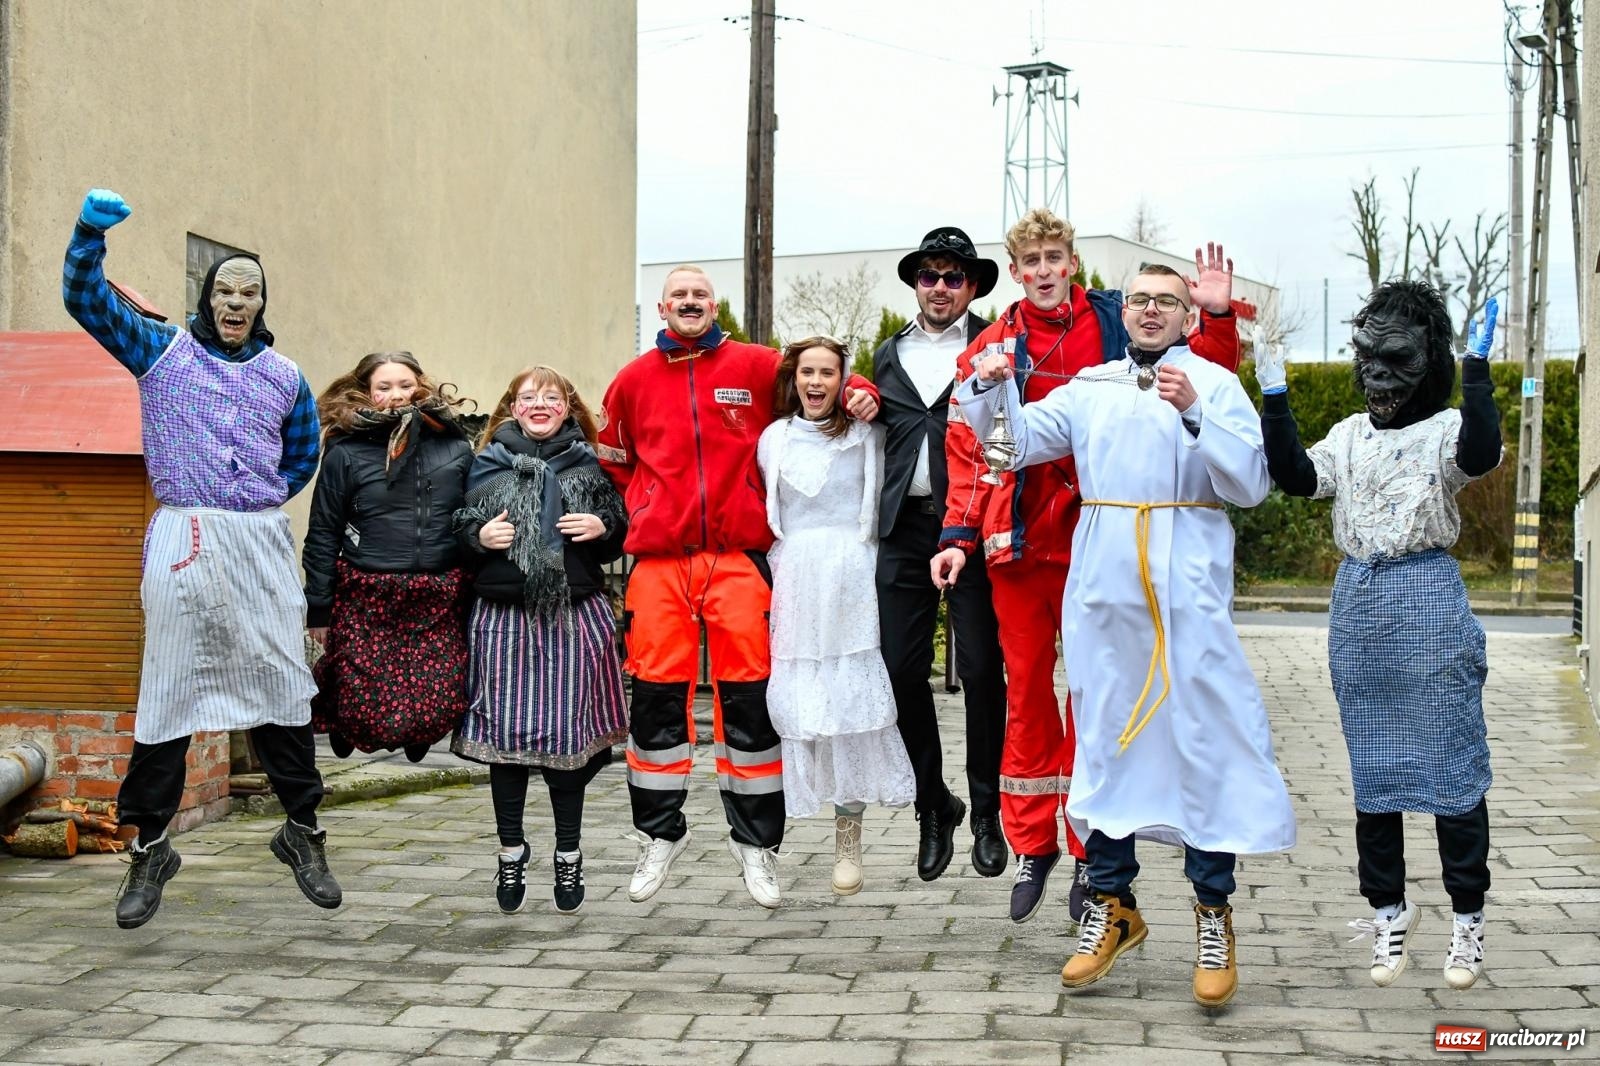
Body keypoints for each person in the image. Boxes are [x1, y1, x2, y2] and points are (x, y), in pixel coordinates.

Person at [958, 262, 1296, 1008]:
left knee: (1202, 741)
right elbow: (1010, 450)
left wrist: (1195, 414)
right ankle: (1112, 905)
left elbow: (1251, 485)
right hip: (1106, 587)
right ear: (1125, 309)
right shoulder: (1093, 386)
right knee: (1107, 741)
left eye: (1166, 302)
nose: (1149, 310)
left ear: (1186, 317)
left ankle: (1213, 911)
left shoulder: (1214, 383)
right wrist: (991, 389)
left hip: (1186, 589)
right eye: (1139, 298)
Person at [931, 208, 1241, 926]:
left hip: (1100, 541)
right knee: (1026, 692)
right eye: (1031, 261)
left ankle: (1089, 846)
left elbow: (1206, 376)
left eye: (1054, 257)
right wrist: (957, 534)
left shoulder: (1114, 321)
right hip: (1016, 541)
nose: (1043, 271)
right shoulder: (990, 345)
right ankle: (1032, 843)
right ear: (1015, 272)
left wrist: (1219, 317)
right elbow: (971, 448)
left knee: (1097, 697)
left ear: (1072, 262)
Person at [62, 188, 340, 928]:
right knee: (169, 689)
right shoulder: (161, 352)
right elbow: (86, 300)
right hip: (185, 538)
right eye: (225, 291)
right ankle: (150, 848)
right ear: (206, 297)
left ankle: (302, 831)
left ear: (262, 303)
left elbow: (301, 455)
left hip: (257, 542)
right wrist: (89, 234)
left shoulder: (285, 376)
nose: (236, 303)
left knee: (282, 683)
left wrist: (251, 500)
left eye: (249, 293)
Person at [597, 265, 878, 909]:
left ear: (714, 304)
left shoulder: (755, 365)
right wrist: (644, 508)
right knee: (655, 700)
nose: (689, 302)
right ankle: (657, 836)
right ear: (662, 307)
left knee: (751, 700)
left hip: (737, 558)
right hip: (661, 562)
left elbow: (821, 373)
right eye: (678, 295)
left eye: (700, 294)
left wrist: (862, 388)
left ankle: (756, 846)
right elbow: (611, 461)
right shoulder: (632, 380)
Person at [1259, 286, 1502, 991]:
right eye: (1366, 357)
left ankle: (1467, 919)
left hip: (1428, 600)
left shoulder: (1446, 431)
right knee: (1374, 770)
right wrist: (1274, 393)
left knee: (1452, 766)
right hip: (1359, 609)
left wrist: (1478, 370)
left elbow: (1481, 452)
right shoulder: (1348, 436)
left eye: (1395, 359)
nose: (1376, 375)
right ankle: (1388, 912)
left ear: (1429, 363)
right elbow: (1297, 477)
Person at [452, 367, 628, 915]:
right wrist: (479, 535)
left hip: (572, 617)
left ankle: (568, 851)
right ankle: (511, 850)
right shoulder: (485, 462)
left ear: (567, 408)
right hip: (502, 620)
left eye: (551, 397)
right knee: (505, 742)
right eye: (529, 397)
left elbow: (617, 530)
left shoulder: (588, 464)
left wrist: (603, 529)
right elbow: (456, 527)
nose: (540, 405)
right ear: (513, 408)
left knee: (566, 746)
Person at [872, 227, 1009, 881]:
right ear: (916, 284)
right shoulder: (887, 354)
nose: (940, 287)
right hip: (904, 528)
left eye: (953, 276)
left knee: (982, 672)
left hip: (974, 528)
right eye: (929, 275)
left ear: (972, 286)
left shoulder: (997, 348)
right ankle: (934, 804)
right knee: (899, 672)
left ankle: (987, 811)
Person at [758, 336, 913, 895]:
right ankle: (771, 833)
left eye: (828, 372)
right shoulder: (774, 438)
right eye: (808, 372)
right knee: (801, 698)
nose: (816, 382)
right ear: (794, 379)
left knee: (850, 699)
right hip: (797, 578)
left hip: (852, 574)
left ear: (843, 380)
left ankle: (849, 835)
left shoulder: (867, 435)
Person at [302, 351, 476, 763]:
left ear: (421, 387)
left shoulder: (454, 446)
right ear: (366, 393)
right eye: (384, 387)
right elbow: (323, 532)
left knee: (440, 696)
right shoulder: (345, 452)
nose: (396, 395)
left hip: (437, 592)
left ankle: (417, 734)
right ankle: (343, 723)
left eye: (405, 385)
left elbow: (471, 518)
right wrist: (318, 608)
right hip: (368, 591)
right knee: (360, 696)